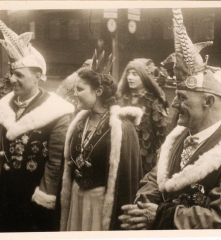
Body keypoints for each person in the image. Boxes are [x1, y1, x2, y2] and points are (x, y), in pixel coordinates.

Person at [119, 8, 221, 230]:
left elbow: (217, 216)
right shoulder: (177, 137)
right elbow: (155, 178)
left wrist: (158, 215)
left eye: (182, 97)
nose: (174, 104)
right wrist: (144, 203)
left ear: (208, 102)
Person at [0, 20, 74, 232]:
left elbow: (55, 162)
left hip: (34, 198)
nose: (12, 79)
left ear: (38, 77)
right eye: (12, 74)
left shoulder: (56, 111)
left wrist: (44, 196)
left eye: (19, 75)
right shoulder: (4, 106)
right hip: (5, 193)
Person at [60, 52, 143, 231]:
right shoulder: (80, 121)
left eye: (80, 89)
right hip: (76, 199)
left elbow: (126, 182)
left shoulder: (122, 128)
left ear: (98, 91)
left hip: (99, 206)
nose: (75, 94)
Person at [117, 59, 168, 175]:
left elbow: (161, 136)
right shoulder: (122, 99)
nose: (130, 77)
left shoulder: (154, 101)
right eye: (128, 74)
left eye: (135, 74)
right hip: (122, 154)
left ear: (144, 77)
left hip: (145, 159)